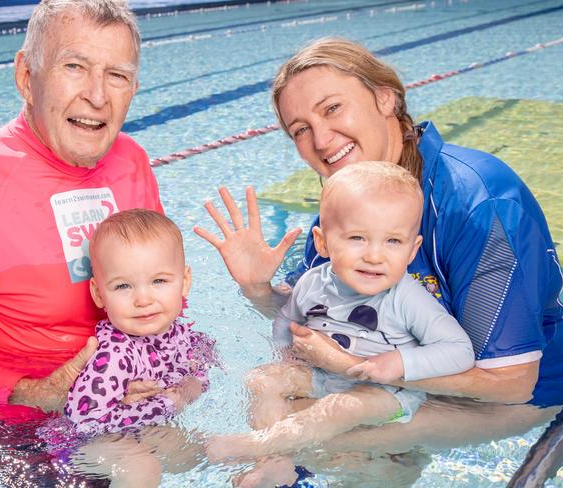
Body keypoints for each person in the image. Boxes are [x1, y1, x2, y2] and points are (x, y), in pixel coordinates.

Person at [195, 37, 563, 469]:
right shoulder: (353, 202)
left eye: (332, 108)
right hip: (407, 378)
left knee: (294, 435)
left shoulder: (477, 202)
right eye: (300, 129)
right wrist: (258, 289)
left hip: (513, 394)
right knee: (274, 399)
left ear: (386, 98)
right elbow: (318, 317)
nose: (321, 138)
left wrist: (355, 368)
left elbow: (512, 380)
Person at [0, 0, 162, 417]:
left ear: (133, 90)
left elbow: (163, 287)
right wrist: (35, 392)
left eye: (116, 76)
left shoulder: (131, 161)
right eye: (74, 67)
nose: (97, 96)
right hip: (23, 423)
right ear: (27, 77)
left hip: (131, 394)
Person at [206, 162, 474, 485]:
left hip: (388, 394)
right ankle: (275, 463)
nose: (375, 255)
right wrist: (283, 356)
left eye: (393, 242)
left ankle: (262, 445)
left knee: (340, 408)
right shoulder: (312, 283)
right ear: (323, 242)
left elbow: (460, 351)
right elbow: (286, 319)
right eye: (358, 238)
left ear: (412, 249)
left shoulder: (407, 298)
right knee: (261, 380)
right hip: (323, 377)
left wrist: (401, 362)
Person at [62, 209, 216, 486]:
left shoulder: (179, 333)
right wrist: (166, 404)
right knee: (143, 467)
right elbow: (85, 424)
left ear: (185, 282)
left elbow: (204, 353)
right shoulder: (113, 356)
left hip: (138, 432)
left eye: (159, 281)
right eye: (123, 286)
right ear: (99, 294)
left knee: (193, 451)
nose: (143, 299)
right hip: (84, 447)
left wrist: (195, 381)